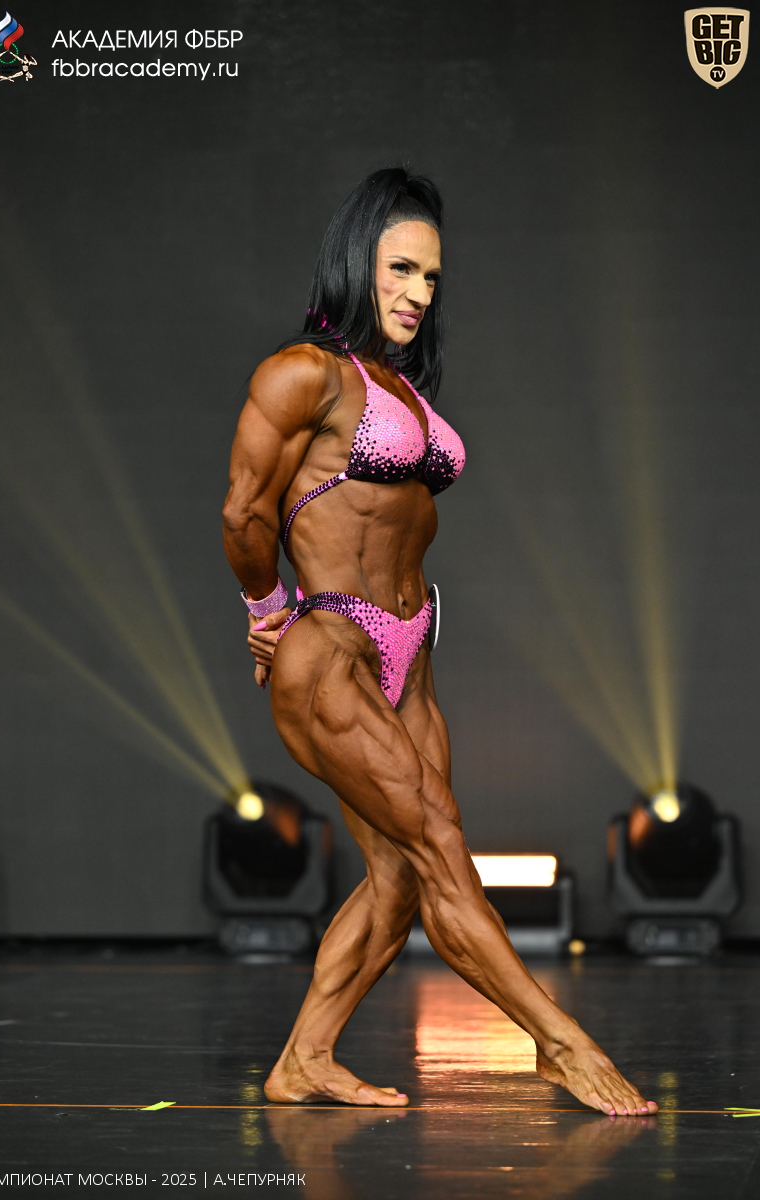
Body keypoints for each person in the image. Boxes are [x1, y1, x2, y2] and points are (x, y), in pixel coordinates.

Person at [221, 167, 657, 1117]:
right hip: (332, 648)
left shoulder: (400, 388)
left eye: (431, 277)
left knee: (400, 881)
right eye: (401, 269)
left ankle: (304, 1059)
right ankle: (560, 1042)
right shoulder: (304, 374)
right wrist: (266, 612)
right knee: (443, 847)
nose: (419, 292)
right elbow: (245, 512)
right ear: (357, 261)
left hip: (411, 651)